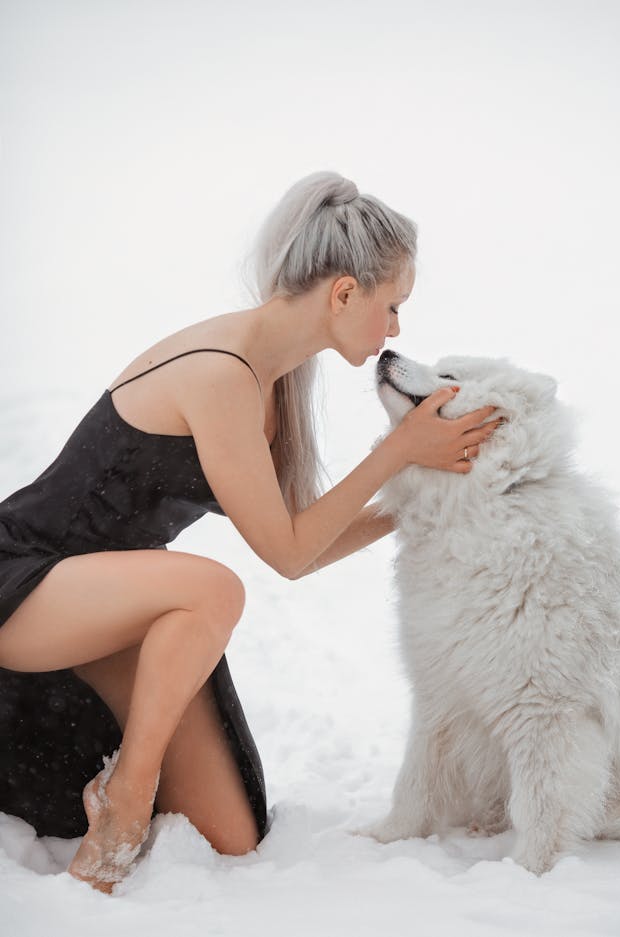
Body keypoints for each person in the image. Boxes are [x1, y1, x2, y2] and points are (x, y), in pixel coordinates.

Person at [0, 170, 500, 894]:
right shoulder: (221, 373)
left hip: (113, 611)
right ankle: (123, 805)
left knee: (228, 836)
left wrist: (414, 497)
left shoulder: (277, 381)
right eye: (392, 306)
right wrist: (397, 453)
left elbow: (301, 540)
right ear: (342, 293)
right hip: (27, 579)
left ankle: (126, 789)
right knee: (213, 588)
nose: (396, 329)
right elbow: (288, 554)